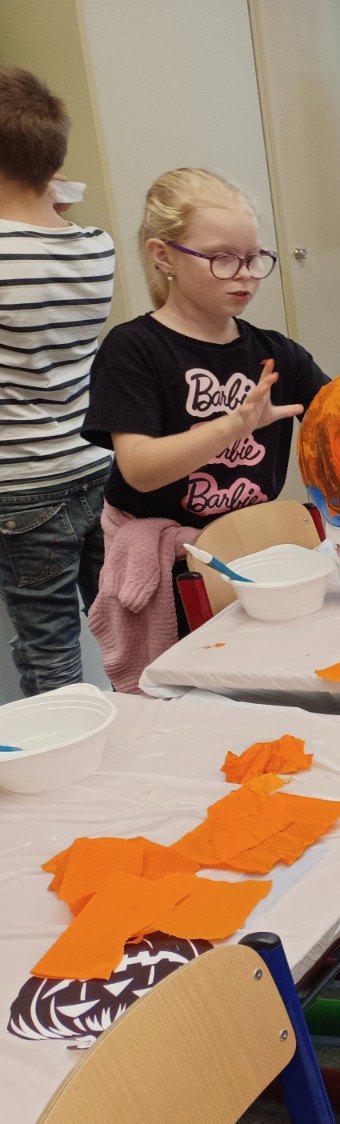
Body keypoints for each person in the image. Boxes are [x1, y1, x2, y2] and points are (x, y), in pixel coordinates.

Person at [81, 167, 340, 690]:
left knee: (254, 677)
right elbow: (138, 469)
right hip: (167, 559)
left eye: (254, 258)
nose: (245, 275)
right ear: (163, 255)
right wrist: (232, 427)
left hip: (251, 546)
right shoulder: (133, 349)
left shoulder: (276, 352)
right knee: (183, 691)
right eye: (222, 258)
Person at [0, 66, 117, 696]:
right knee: (119, 622)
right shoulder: (96, 247)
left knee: (48, 644)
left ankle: (70, 744)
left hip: (22, 488)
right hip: (95, 464)